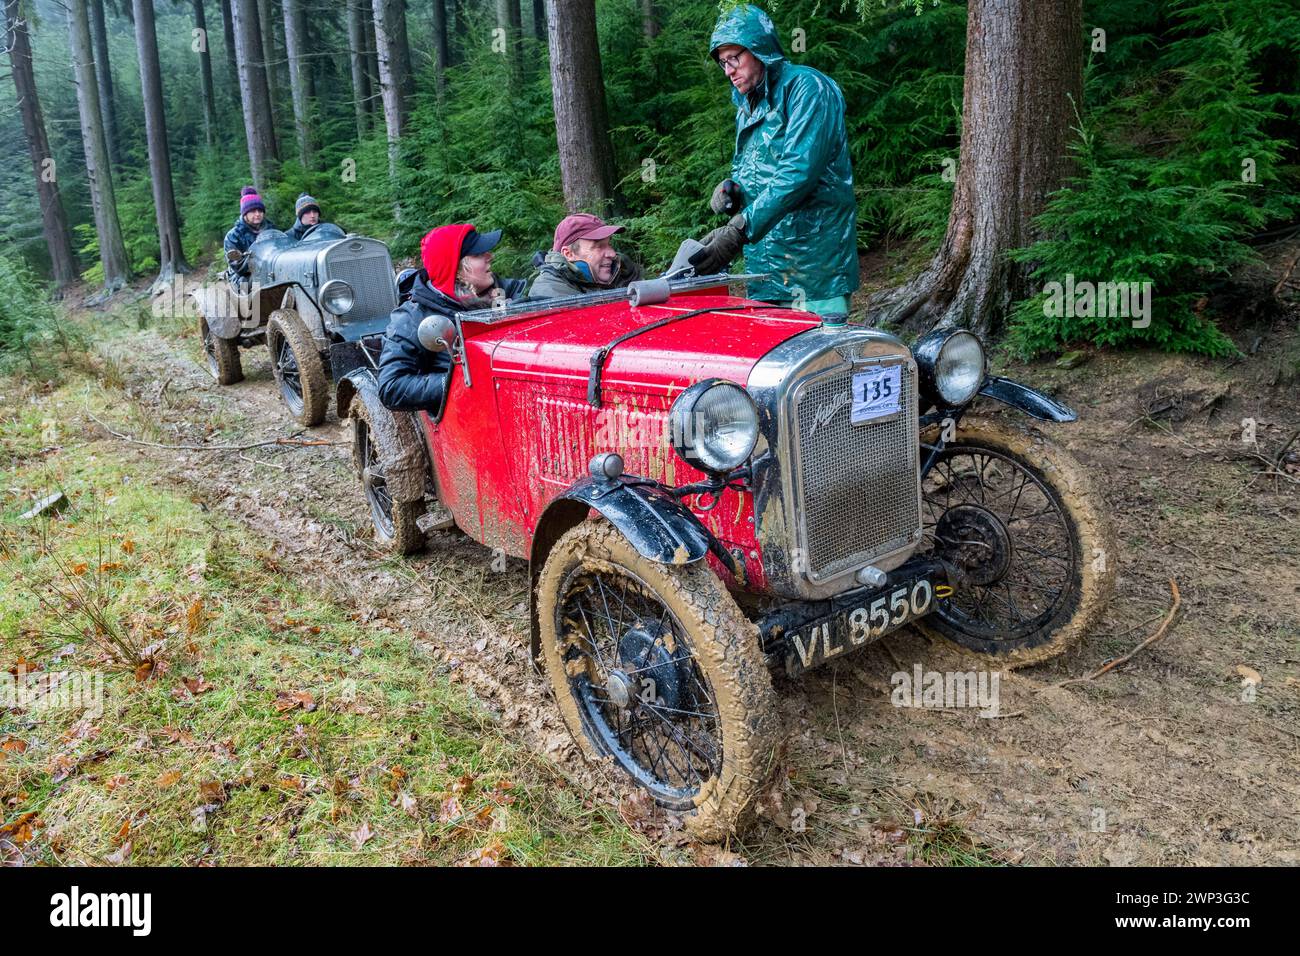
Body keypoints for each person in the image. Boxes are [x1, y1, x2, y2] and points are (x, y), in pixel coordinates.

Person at [688, 4, 859, 319]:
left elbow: (799, 171)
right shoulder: (747, 105)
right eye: (723, 63)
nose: (728, 71)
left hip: (814, 263)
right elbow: (749, 171)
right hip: (765, 266)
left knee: (823, 361)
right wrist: (732, 189)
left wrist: (741, 227)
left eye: (734, 59)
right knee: (774, 361)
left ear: (759, 49)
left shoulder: (807, 88)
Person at [377, 224, 526, 413]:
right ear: (456, 268)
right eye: (479, 254)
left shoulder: (508, 296)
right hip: (464, 417)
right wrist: (459, 381)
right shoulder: (412, 317)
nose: (490, 256)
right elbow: (391, 387)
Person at [527, 213, 643, 299]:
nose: (612, 254)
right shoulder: (551, 292)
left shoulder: (624, 272)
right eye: (599, 246)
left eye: (609, 244)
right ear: (569, 254)